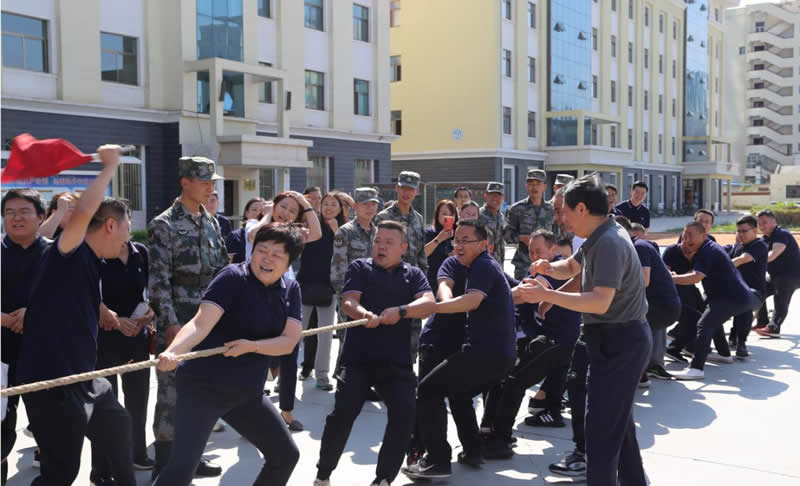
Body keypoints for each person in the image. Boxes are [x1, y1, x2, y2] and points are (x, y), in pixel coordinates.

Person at [14, 146, 137, 486]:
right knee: (61, 474)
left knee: (118, 427)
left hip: (85, 377)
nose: (127, 239)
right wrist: (108, 167)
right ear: (110, 225)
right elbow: (84, 212)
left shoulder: (92, 262)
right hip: (52, 383)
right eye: (127, 229)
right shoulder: (70, 252)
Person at [517, 174, 651, 486]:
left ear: (581, 208)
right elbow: (573, 266)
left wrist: (547, 295)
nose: (560, 219)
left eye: (563, 211)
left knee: (601, 431)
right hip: (611, 339)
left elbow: (600, 301)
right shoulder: (599, 233)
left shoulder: (610, 242)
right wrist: (548, 268)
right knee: (618, 426)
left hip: (621, 342)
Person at [152, 224, 304, 486]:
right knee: (181, 469)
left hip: (247, 393)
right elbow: (200, 324)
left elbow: (289, 342)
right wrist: (173, 351)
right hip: (203, 389)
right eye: (262, 250)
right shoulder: (233, 277)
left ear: (289, 262)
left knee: (285, 455)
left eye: (277, 254)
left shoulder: (291, 289)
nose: (267, 259)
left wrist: (252, 346)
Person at [314, 221, 435, 486]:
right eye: (378, 241)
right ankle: (323, 473)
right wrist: (364, 314)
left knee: (404, 415)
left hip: (397, 363)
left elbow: (429, 303)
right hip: (358, 360)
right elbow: (349, 301)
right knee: (342, 415)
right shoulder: (360, 268)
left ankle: (383, 478)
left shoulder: (413, 274)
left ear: (403, 248)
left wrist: (402, 311)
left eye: (388, 243)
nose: (381, 247)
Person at [402, 219, 517, 480]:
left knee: (427, 390)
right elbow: (448, 289)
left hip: (485, 353)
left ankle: (438, 461)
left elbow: (471, 301)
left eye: (467, 240)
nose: (459, 245)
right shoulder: (470, 265)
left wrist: (431, 308)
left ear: (483, 244)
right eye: (457, 240)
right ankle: (473, 451)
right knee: (459, 393)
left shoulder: (484, 265)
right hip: (496, 355)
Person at [148, 156, 230, 479]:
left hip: (209, 319)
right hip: (179, 320)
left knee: (202, 393)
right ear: (185, 182)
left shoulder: (210, 221)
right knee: (171, 394)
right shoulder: (164, 224)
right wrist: (170, 323)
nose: (210, 188)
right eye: (204, 182)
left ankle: (192, 457)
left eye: (212, 183)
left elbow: (222, 270)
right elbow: (158, 281)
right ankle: (164, 463)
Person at [481, 230, 581, 459]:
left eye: (539, 251)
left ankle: (499, 440)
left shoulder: (553, 269)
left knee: (514, 381)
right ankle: (493, 430)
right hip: (549, 338)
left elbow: (523, 293)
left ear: (553, 249)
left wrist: (484, 301)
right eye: (531, 251)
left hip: (557, 340)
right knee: (507, 376)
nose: (534, 255)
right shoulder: (539, 269)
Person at [247, 191, 321, 430]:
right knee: (257, 358)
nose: (286, 213)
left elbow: (317, 234)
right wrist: (268, 214)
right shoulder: (257, 226)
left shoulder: (293, 235)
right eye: (283, 206)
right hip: (257, 294)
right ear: (274, 205)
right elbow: (253, 235)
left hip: (287, 292)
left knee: (290, 355)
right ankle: (251, 416)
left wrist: (306, 205)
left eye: (292, 211)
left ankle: (287, 410)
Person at [90, 239, 156, 483]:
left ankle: (137, 453)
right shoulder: (94, 252)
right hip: (103, 339)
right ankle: (102, 469)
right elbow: (84, 293)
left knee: (138, 402)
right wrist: (114, 320)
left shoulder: (140, 252)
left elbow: (149, 290)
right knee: (105, 407)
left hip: (136, 336)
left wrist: (149, 313)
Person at [668, 222, 760, 380]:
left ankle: (696, 369)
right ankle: (724, 354)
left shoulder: (707, 250)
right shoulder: (706, 249)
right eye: (684, 235)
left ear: (703, 235)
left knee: (704, 324)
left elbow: (696, 277)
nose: (686, 239)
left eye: (690, 235)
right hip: (729, 296)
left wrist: (671, 279)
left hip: (732, 297)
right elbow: (695, 272)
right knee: (711, 319)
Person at [1, 189, 49, 485]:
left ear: (41, 216)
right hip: (1, 356)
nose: (16, 218)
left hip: (43, 355)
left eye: (24, 211)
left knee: (48, 428)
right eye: (9, 212)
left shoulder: (56, 254)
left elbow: (72, 301)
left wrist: (34, 313)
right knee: (1, 428)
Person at [614, 216, 681, 384]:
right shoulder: (636, 246)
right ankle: (650, 368)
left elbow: (644, 280)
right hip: (662, 305)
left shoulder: (639, 247)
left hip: (663, 307)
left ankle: (638, 374)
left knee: (625, 326)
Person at [375, 171, 429, 361]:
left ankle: (407, 370)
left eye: (411, 189)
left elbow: (421, 254)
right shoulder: (383, 217)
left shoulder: (418, 218)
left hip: (412, 283)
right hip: (389, 282)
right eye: (403, 188)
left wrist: (423, 285)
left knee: (413, 332)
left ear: (417, 191)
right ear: (397, 188)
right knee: (388, 334)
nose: (407, 193)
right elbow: (376, 252)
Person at [297, 192, 346, 391]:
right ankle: (285, 376)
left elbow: (344, 255)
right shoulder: (311, 224)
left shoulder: (344, 229)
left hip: (328, 288)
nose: (329, 207)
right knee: (296, 333)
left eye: (334, 204)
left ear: (340, 209)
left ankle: (322, 376)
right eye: (326, 203)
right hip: (305, 284)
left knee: (325, 335)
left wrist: (336, 231)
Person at [725, 215, 768, 357]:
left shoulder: (759, 245)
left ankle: (741, 342)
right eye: (738, 231)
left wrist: (721, 267)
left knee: (745, 299)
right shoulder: (737, 247)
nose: (740, 234)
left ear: (754, 231)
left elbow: (742, 259)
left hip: (756, 294)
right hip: (735, 292)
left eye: (744, 231)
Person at [754, 209, 800, 338]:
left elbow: (774, 254)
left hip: (793, 275)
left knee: (780, 296)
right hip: (776, 275)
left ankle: (774, 328)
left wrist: (757, 261)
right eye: (759, 223)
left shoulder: (781, 234)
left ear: (773, 221)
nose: (761, 226)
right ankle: (762, 321)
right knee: (758, 289)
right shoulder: (764, 239)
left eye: (764, 222)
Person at [505, 169, 555, 280]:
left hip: (546, 263)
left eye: (538, 184)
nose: (534, 187)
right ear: (526, 186)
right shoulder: (516, 209)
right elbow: (507, 235)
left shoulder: (551, 209)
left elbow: (558, 235)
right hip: (523, 264)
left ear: (545, 186)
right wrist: (522, 238)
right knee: (523, 290)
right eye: (531, 184)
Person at [424, 200, 458, 289]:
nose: (448, 217)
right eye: (444, 213)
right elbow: (423, 254)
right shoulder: (430, 233)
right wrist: (439, 239)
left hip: (454, 279)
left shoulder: (458, 234)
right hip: (433, 279)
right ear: (437, 215)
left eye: (452, 214)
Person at [225, 197, 267, 264]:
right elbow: (228, 262)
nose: (258, 213)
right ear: (246, 213)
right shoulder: (235, 236)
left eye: (262, 210)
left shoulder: (270, 235)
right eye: (254, 210)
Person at [479, 182, 506, 265]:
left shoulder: (501, 216)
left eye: (498, 195)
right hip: (482, 261)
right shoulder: (478, 215)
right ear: (486, 195)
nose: (495, 198)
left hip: (498, 262)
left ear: (503, 197)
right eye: (492, 194)